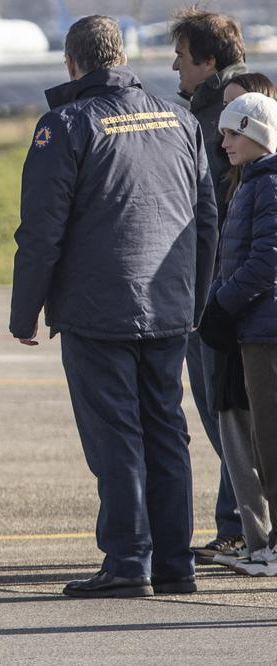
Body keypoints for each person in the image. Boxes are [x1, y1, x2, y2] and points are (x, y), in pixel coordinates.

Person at [10, 16, 217, 598]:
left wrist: (24, 311)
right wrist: (194, 299)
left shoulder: (68, 123)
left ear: (73, 64)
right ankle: (175, 563)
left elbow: (42, 230)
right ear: (119, 55)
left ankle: (128, 560)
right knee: (166, 431)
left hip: (99, 307)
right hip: (169, 302)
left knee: (117, 436)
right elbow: (205, 219)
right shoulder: (179, 117)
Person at [170, 7, 249, 564]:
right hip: (224, 288)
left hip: (216, 292)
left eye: (181, 55)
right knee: (231, 415)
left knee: (226, 415)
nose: (174, 64)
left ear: (208, 60)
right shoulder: (220, 112)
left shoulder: (217, 123)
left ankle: (245, 526)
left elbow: (205, 216)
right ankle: (236, 524)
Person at [197, 91, 277, 577]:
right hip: (254, 329)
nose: (223, 141)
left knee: (270, 441)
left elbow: (267, 260)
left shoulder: (269, 183)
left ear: (256, 133)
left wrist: (221, 307)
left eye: (233, 132)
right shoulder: (253, 180)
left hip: (266, 334)